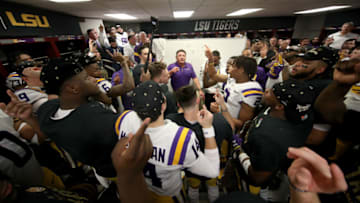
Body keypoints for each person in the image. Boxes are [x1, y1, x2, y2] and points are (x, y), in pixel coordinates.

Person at [117, 80, 220, 202]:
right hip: (167, 195)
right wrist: (208, 128)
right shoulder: (180, 137)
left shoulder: (124, 118)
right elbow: (212, 171)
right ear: (164, 104)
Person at [35, 53, 133, 178]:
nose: (93, 79)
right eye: (87, 78)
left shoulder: (47, 111)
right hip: (119, 170)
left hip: (99, 170)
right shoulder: (95, 120)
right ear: (73, 88)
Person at [232, 79, 316, 202]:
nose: (267, 90)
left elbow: (257, 178)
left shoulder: (268, 137)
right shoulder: (302, 112)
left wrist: (240, 153)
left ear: (280, 106)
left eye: (272, 92)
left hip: (259, 172)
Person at [167, 85, 233, 203]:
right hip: (213, 166)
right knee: (213, 187)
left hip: (190, 168)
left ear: (178, 105)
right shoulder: (218, 120)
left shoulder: (171, 122)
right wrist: (222, 105)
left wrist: (182, 108)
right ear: (198, 100)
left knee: (193, 188)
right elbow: (231, 129)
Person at [206, 47, 263, 132]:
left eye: (233, 66)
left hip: (231, 129)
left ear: (241, 70)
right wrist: (210, 60)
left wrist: (219, 112)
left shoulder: (251, 89)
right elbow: (213, 75)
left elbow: (242, 124)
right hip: (223, 120)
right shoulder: (233, 79)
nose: (229, 68)